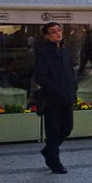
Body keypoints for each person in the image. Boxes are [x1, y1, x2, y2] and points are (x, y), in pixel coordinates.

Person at [34, 22, 77, 174]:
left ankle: (48, 150)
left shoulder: (64, 50)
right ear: (47, 36)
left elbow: (70, 72)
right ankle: (55, 162)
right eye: (53, 31)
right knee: (53, 130)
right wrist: (55, 90)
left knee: (67, 127)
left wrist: (73, 90)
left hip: (67, 97)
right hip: (52, 99)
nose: (58, 33)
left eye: (59, 30)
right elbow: (41, 76)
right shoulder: (43, 53)